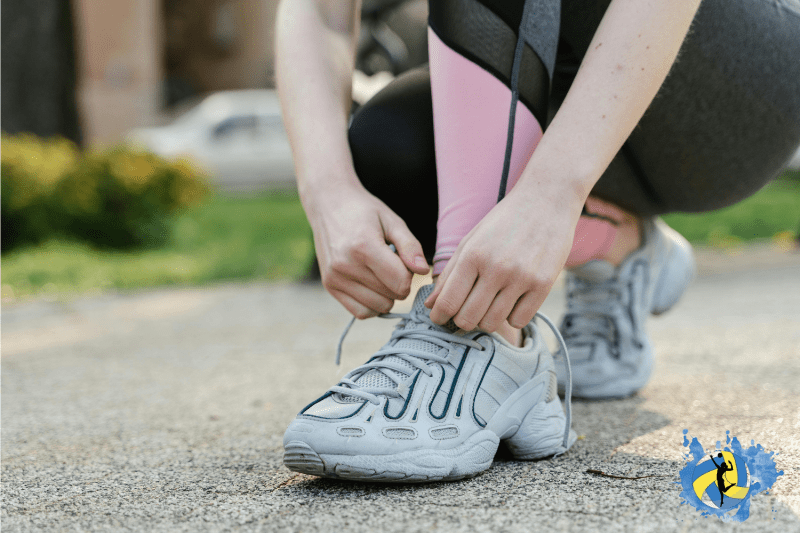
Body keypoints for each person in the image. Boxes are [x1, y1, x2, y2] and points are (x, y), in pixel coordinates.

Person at [275, 0, 800, 482]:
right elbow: (319, 11)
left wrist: (554, 192)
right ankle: (615, 242)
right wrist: (330, 195)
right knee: (391, 145)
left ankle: (482, 332)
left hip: (736, 89)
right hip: (576, 89)